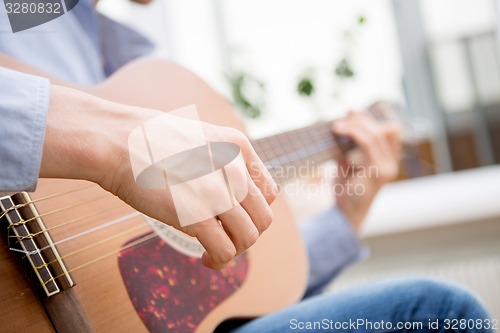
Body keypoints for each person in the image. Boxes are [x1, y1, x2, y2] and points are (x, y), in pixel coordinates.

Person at [0, 1, 494, 332]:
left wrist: (346, 220)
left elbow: (225, 297)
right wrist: (109, 142)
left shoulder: (126, 55)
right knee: (440, 313)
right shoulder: (29, 14)